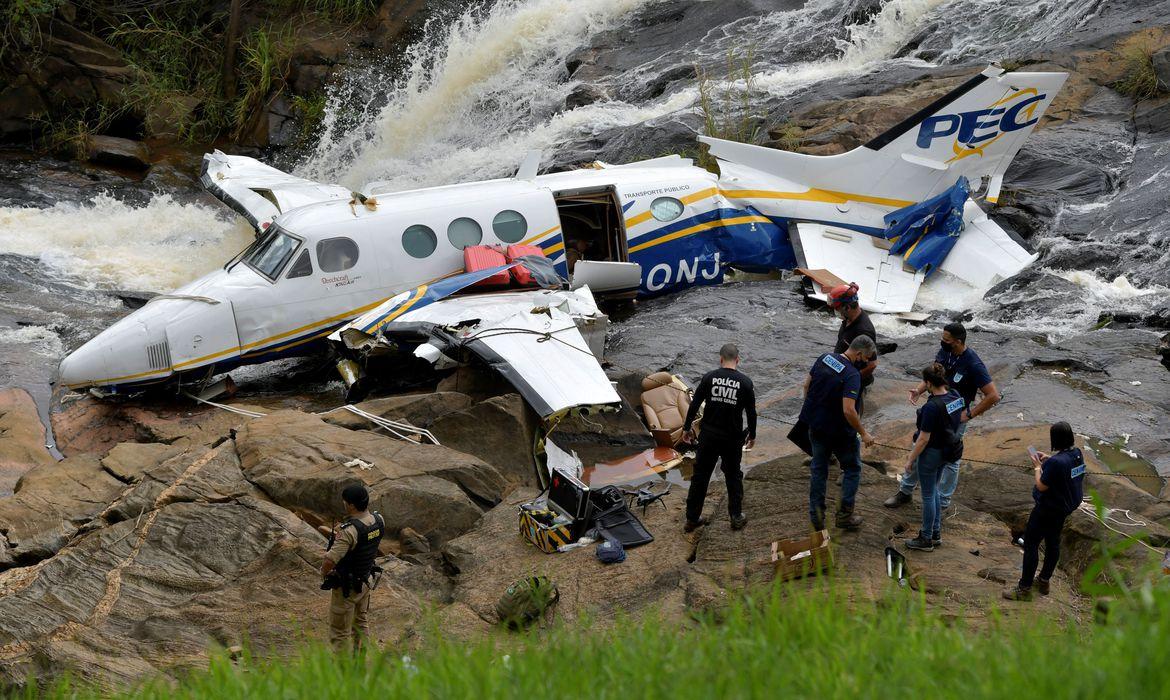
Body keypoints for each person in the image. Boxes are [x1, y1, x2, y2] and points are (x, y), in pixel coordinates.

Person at [885, 322, 1000, 510]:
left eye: (946, 340)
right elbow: (934, 372)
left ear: (958, 341)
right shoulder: (945, 352)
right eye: (942, 338)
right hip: (936, 409)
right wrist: (920, 390)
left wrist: (969, 414)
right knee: (919, 446)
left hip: (955, 417)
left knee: (951, 458)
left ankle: (943, 501)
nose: (942, 342)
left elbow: (993, 395)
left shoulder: (973, 364)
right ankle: (905, 492)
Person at [799, 335, 877, 530]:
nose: (866, 363)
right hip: (840, 432)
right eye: (866, 359)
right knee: (852, 468)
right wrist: (864, 432)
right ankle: (844, 515)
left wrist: (814, 409)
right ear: (858, 354)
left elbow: (806, 385)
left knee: (819, 469)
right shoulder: (852, 375)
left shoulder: (824, 357)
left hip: (816, 425)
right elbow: (848, 410)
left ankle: (816, 517)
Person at [1003, 422, 1086, 601]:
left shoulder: (1057, 462)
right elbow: (1067, 468)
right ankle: (1043, 581)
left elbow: (1041, 486)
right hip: (1062, 510)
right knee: (1052, 543)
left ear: (1055, 439)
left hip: (1047, 509)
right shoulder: (1077, 453)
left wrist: (1037, 467)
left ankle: (1024, 589)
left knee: (1031, 544)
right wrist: (1049, 458)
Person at [681, 343, 757, 532]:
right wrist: (753, 434)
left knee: (700, 476)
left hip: (709, 436)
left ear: (721, 359)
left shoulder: (709, 377)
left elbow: (694, 404)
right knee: (733, 476)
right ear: (737, 360)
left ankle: (692, 519)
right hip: (732, 438)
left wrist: (686, 428)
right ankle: (736, 517)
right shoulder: (746, 382)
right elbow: (751, 412)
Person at [901, 363, 965, 551]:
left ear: (928, 383)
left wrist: (910, 459)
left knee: (928, 495)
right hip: (948, 450)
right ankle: (935, 532)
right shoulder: (955, 395)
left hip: (931, 453)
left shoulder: (931, 407)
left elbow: (923, 438)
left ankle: (926, 537)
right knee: (935, 490)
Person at [319, 484, 384, 652]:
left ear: (351, 505)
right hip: (365, 580)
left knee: (339, 632)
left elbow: (330, 560)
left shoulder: (349, 531)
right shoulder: (378, 520)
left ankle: (342, 673)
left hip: (347, 587)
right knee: (361, 624)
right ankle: (360, 665)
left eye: (345, 502)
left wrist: (325, 574)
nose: (344, 505)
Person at [830, 283, 878, 416]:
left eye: (839, 309)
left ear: (848, 307)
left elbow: (872, 364)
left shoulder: (864, 331)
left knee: (851, 413)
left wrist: (851, 379)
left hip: (852, 380)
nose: (837, 312)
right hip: (840, 375)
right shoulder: (847, 319)